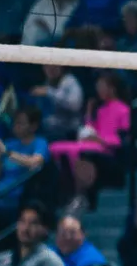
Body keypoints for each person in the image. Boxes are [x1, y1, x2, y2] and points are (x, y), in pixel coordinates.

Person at [48, 72, 130, 207]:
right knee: (56, 146)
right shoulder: (101, 109)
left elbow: (123, 138)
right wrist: (89, 111)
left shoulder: (123, 109)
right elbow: (89, 128)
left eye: (101, 87)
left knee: (77, 151)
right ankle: (66, 188)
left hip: (108, 147)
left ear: (112, 89)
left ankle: (79, 192)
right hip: (92, 143)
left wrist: (101, 140)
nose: (99, 90)